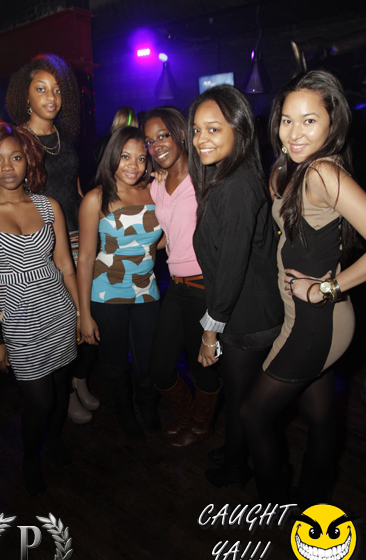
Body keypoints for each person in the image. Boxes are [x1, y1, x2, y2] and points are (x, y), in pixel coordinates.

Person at [239, 69, 366, 506]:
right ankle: (315, 496)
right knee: (319, 414)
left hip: (317, 322)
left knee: (253, 415)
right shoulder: (298, 165)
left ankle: (276, 505)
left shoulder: (323, 172)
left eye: (309, 120)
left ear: (334, 122)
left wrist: (326, 289)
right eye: (287, 120)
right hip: (314, 319)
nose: (293, 133)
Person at [0, 122, 80, 496]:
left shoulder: (49, 206)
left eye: (15, 157)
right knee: (39, 399)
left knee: (60, 389)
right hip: (18, 319)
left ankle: (55, 440)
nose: (8, 166)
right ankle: (31, 458)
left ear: (28, 160)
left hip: (59, 311)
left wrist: (80, 314)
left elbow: (65, 264)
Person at [188, 85, 283, 487]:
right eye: (196, 130)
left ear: (239, 130)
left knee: (244, 402)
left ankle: (236, 467)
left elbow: (230, 268)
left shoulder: (237, 185)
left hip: (248, 317)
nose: (201, 139)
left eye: (213, 129)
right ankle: (233, 452)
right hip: (245, 311)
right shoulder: (224, 177)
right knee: (240, 397)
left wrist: (210, 332)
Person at [6, 52, 99, 424]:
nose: (51, 97)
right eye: (41, 89)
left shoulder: (65, 134)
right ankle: (66, 389)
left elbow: (74, 186)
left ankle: (79, 379)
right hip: (46, 243)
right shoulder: (16, 139)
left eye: (57, 90)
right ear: (25, 95)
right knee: (62, 318)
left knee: (88, 312)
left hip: (79, 234)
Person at [77, 126, 162, 441]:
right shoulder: (96, 198)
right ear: (112, 156)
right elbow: (86, 258)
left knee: (147, 362)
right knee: (114, 365)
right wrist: (84, 314)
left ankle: (147, 405)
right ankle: (124, 414)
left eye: (141, 158)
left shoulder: (154, 191)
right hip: (107, 291)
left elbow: (159, 241)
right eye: (125, 156)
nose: (133, 165)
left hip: (147, 289)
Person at [142, 107, 220, 447]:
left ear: (182, 134)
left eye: (163, 135)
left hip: (204, 286)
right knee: (159, 367)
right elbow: (168, 232)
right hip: (175, 286)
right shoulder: (157, 185)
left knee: (202, 366)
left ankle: (201, 425)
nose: (156, 145)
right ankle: (189, 415)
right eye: (149, 140)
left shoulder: (204, 177)